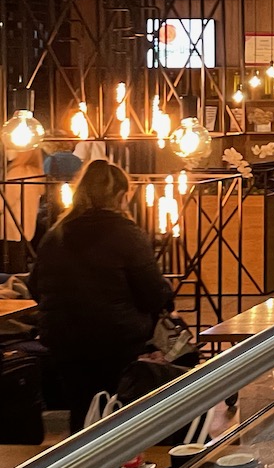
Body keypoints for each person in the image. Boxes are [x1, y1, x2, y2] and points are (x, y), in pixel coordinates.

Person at [30, 159, 175, 430]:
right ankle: (119, 462)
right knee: (116, 405)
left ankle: (79, 463)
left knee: (80, 406)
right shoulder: (127, 234)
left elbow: (34, 287)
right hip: (116, 338)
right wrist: (166, 292)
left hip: (63, 338)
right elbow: (151, 295)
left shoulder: (55, 234)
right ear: (120, 195)